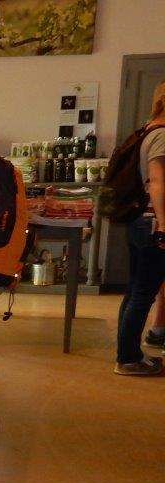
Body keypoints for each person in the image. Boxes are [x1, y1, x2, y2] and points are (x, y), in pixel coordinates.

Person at [114, 79, 165, 375]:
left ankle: (128, 353)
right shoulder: (161, 135)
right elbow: (157, 181)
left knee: (135, 290)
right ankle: (128, 358)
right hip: (152, 222)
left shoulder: (146, 130)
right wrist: (163, 224)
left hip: (141, 221)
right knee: (142, 293)